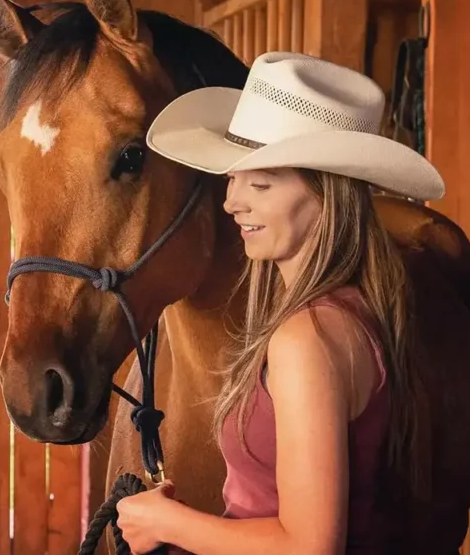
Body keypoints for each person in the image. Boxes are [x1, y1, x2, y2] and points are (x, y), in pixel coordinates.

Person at [115, 52, 445, 554]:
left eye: (261, 183)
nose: (232, 202)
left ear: (325, 195)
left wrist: (169, 524)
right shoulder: (359, 310)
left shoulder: (305, 339)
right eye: (232, 177)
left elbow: (309, 547)